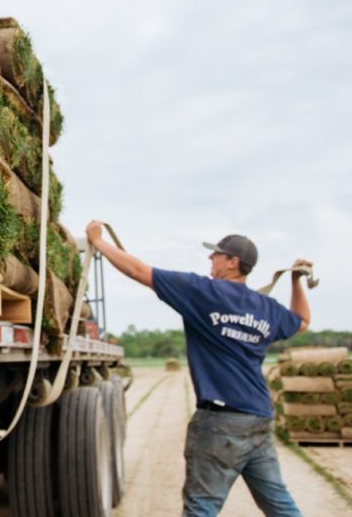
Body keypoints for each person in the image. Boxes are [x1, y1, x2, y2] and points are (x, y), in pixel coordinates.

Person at [85, 222, 310, 517]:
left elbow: (139, 271)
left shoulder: (204, 292)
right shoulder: (266, 307)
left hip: (221, 421)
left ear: (233, 262)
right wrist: (296, 281)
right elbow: (302, 321)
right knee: (280, 506)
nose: (210, 259)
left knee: (201, 507)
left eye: (217, 254)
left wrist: (98, 242)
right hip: (258, 417)